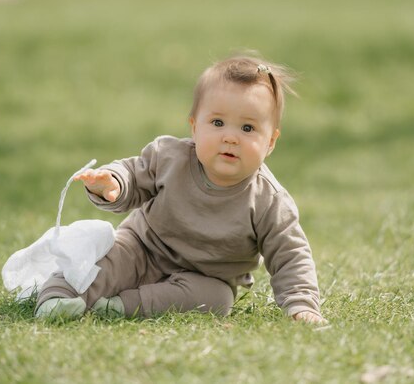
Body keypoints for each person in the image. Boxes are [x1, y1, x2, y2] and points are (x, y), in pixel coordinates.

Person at [35, 54, 324, 324]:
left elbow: (290, 255)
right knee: (105, 263)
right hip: (143, 248)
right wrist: (113, 183)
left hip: (205, 276)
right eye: (218, 122)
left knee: (217, 300)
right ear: (194, 127)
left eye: (247, 129)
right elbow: (134, 174)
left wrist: (302, 305)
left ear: (271, 142)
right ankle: (57, 296)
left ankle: (122, 305)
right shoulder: (169, 157)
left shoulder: (268, 200)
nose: (230, 138)